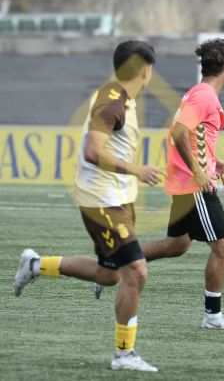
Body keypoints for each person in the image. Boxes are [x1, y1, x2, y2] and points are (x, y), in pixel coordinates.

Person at [13, 40, 162, 372]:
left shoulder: (121, 97)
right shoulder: (113, 103)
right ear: (146, 71)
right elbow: (93, 151)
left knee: (108, 276)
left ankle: (36, 265)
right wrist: (138, 170)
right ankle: (124, 355)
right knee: (136, 273)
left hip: (118, 198)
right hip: (102, 202)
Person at [139, 38, 224, 330]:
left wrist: (213, 162)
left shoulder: (198, 93)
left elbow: (193, 135)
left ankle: (116, 261)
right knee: (223, 247)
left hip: (188, 181)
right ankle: (213, 317)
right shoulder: (205, 96)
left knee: (177, 245)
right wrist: (201, 172)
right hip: (194, 185)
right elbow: (179, 132)